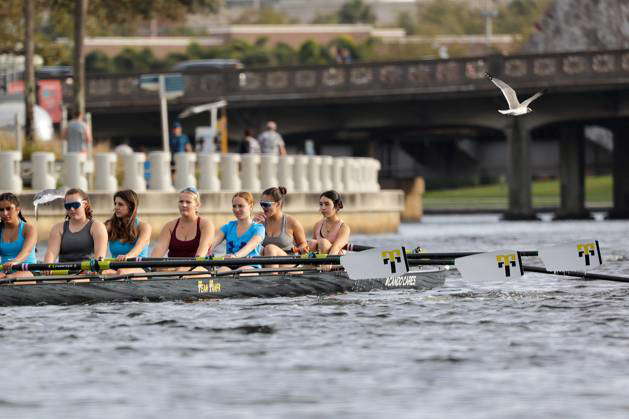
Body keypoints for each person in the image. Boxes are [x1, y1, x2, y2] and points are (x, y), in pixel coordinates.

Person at [150, 187, 214, 271]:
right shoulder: (169, 226)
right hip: (174, 269)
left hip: (199, 267)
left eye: (188, 202)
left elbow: (200, 257)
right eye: (181, 201)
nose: (184, 205)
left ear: (197, 205)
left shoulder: (206, 225)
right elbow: (155, 257)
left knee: (180, 270)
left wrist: (180, 270)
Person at [44, 188, 108, 263]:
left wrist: (95, 267)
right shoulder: (58, 228)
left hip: (89, 272)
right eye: (68, 206)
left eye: (75, 205)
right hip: (63, 272)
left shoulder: (97, 227)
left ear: (85, 204)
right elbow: (51, 253)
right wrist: (47, 266)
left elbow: (100, 256)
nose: (72, 209)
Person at [208, 192, 265, 272]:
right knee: (220, 272)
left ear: (251, 206)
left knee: (240, 272)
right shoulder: (228, 227)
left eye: (240, 206)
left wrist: (235, 256)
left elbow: (250, 246)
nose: (236, 209)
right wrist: (209, 249)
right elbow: (214, 241)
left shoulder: (259, 228)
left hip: (250, 264)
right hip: (229, 264)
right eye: (234, 206)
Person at [253, 186, 308, 264]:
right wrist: (252, 224)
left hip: (288, 262)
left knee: (270, 248)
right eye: (261, 204)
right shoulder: (260, 221)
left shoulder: (292, 222)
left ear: (278, 204)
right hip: (265, 262)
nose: (263, 207)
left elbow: (303, 243)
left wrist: (299, 250)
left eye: (266, 204)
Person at [103, 190, 152, 275]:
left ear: (131, 206)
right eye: (115, 204)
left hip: (139, 267)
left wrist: (127, 256)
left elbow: (138, 249)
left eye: (120, 204)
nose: (116, 207)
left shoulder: (144, 227)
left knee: (120, 272)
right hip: (116, 267)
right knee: (103, 272)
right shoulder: (109, 225)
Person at [0, 193, 37, 279]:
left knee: (9, 278)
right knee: (6, 277)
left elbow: (26, 252)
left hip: (28, 271)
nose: (5, 213)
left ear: (18, 209)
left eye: (9, 209)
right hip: (4, 271)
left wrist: (15, 261)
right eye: (1, 210)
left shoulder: (29, 229)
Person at [308, 190, 350, 255]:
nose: (323, 208)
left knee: (323, 243)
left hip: (335, 260)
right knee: (311, 243)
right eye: (321, 204)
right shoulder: (317, 225)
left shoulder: (344, 227)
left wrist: (326, 265)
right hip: (320, 260)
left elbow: (336, 248)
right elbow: (312, 248)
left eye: (327, 204)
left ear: (336, 206)